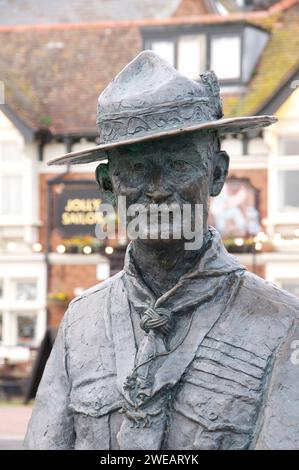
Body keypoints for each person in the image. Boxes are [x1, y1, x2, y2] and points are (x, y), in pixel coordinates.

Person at [24, 51, 299, 450]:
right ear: (107, 184)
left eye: (178, 164)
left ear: (217, 173)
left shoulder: (280, 324)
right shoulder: (80, 323)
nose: (156, 189)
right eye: (136, 169)